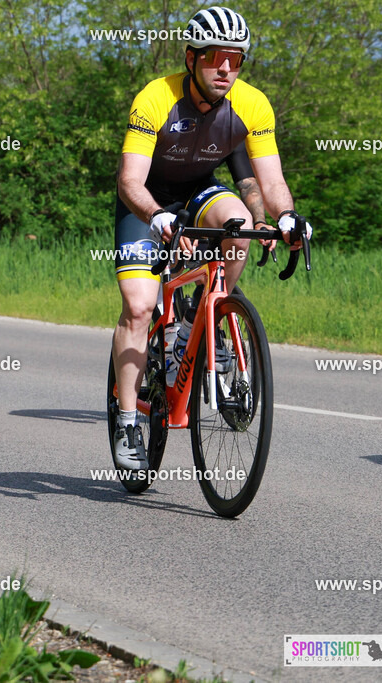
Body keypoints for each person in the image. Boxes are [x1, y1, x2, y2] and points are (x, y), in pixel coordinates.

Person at [111, 6, 312, 470]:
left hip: (198, 189)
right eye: (216, 57)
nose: (226, 68)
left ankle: (204, 314)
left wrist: (286, 217)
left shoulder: (253, 104)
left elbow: (271, 181)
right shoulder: (155, 98)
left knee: (239, 224)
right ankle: (126, 421)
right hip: (146, 199)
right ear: (191, 58)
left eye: (236, 59)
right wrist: (157, 215)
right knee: (139, 307)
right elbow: (129, 180)